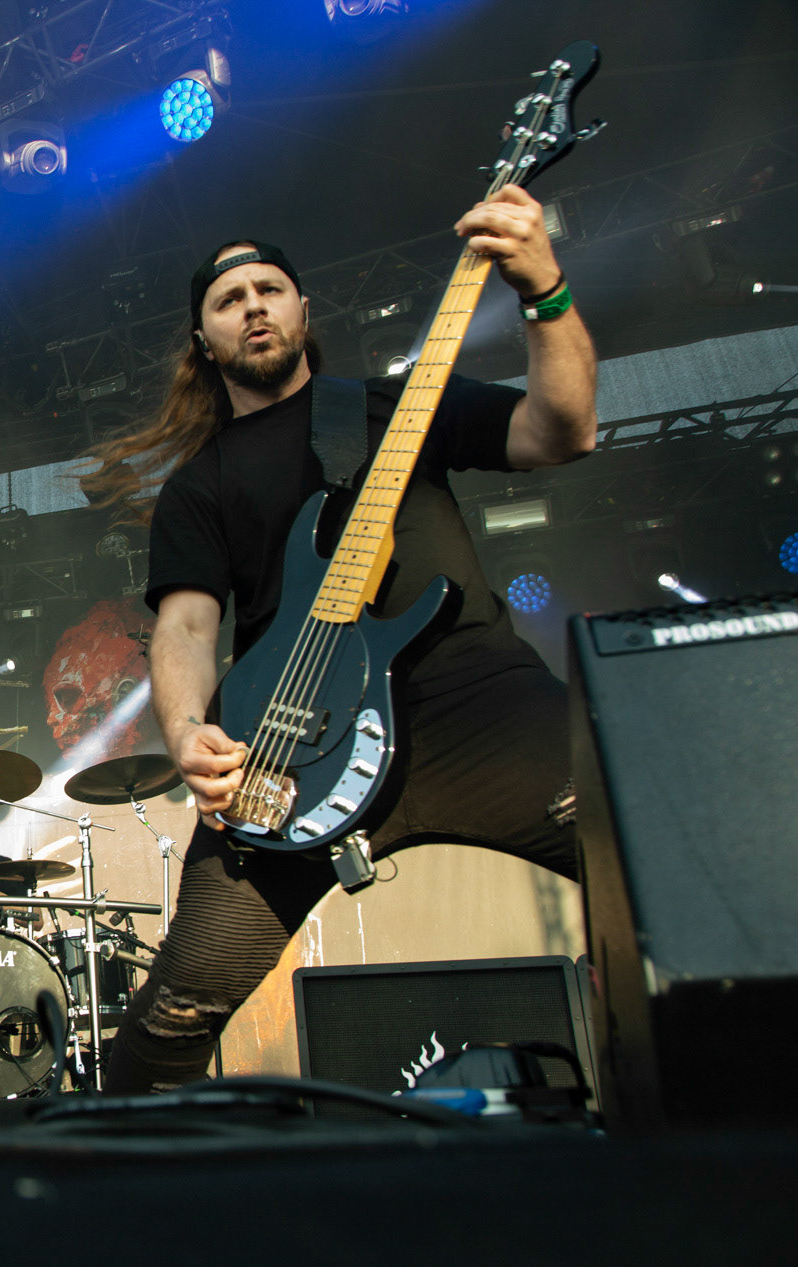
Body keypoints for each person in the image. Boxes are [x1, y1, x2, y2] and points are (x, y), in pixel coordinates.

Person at [80, 185, 598, 1092]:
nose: (253, 307)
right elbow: (188, 624)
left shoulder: (398, 406)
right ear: (204, 341)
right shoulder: (199, 486)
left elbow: (562, 430)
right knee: (166, 1025)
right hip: (291, 742)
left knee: (663, 874)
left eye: (269, 289)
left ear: (303, 311)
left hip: (473, 701)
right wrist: (186, 726)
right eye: (229, 300)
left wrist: (544, 294)